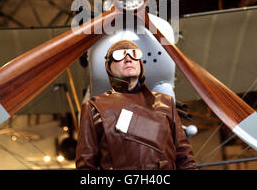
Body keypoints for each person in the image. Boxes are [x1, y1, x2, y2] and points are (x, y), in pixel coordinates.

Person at [76, 39, 196, 170]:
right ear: (109, 67)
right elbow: (86, 167)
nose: (128, 59)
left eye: (134, 54)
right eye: (119, 55)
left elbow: (185, 157)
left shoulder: (166, 103)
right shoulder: (94, 107)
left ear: (140, 64)